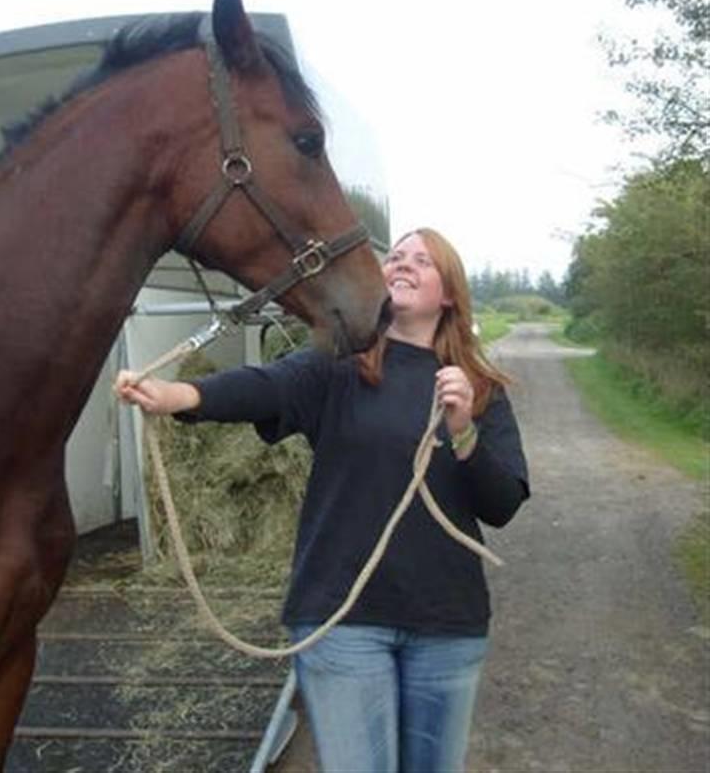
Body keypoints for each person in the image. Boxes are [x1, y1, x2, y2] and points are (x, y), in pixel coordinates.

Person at [115, 228, 529, 772]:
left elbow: (500, 504)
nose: (402, 264)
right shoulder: (338, 367)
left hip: (447, 623)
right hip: (342, 620)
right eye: (396, 256)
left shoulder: (479, 386)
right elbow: (265, 386)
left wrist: (463, 429)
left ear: (449, 291)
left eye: (421, 261)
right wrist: (180, 396)